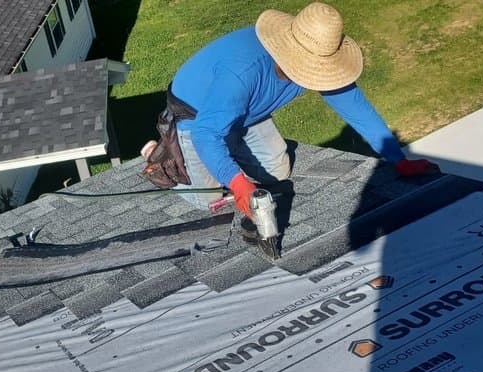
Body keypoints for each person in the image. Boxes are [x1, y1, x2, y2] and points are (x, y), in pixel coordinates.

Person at [160, 2, 439, 217]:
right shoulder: (243, 73)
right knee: (207, 199)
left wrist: (397, 159)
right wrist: (237, 183)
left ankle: (228, 148)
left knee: (277, 173)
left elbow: (356, 107)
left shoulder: (318, 57)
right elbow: (207, 133)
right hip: (196, 117)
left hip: (246, 112)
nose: (318, 74)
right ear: (290, 56)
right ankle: (159, 155)